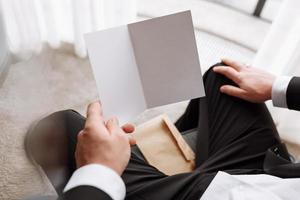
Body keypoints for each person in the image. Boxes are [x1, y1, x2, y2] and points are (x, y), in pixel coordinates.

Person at [25, 59, 300, 200]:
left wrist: (99, 171)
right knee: (224, 76)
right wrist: (282, 88)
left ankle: (151, 169)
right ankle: (164, 153)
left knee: (59, 129)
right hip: (274, 181)